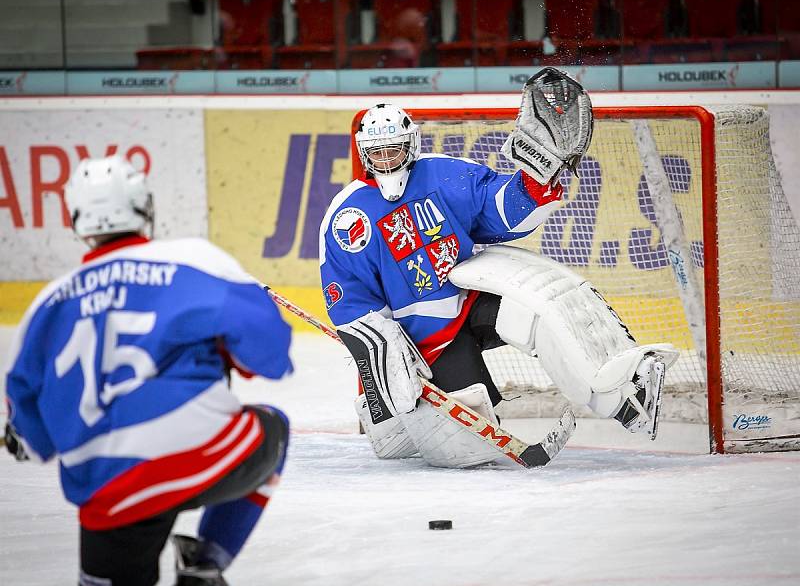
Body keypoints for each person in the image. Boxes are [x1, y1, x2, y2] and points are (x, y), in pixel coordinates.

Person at [319, 67, 678, 468]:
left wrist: (536, 180)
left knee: (542, 314)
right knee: (461, 453)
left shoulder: (443, 175)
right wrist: (385, 353)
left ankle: (624, 396)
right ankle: (399, 423)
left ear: (411, 145)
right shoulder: (348, 217)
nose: (387, 161)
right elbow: (348, 299)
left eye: (395, 150)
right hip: (424, 346)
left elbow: (500, 210)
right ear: (364, 154)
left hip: (470, 302)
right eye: (378, 153)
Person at [4, 155, 293, 586]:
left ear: (76, 218)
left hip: (107, 489)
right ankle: (204, 564)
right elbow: (270, 353)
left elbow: (30, 437)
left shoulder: (46, 304)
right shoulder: (194, 258)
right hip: (198, 451)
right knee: (272, 428)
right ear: (145, 207)